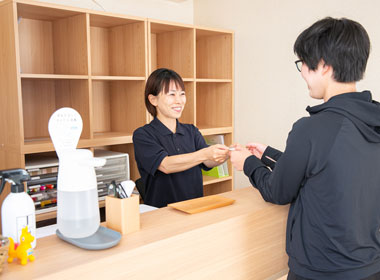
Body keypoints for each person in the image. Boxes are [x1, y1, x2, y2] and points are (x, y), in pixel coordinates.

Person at [230, 17, 380, 280]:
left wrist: (248, 164)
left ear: (322, 65)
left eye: (303, 64)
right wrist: (268, 154)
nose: (302, 73)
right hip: (371, 266)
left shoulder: (311, 129)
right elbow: (327, 168)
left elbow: (278, 191)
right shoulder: (372, 120)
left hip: (321, 271)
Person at [133, 68, 229, 208]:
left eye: (182, 94)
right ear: (153, 99)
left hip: (195, 207)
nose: (179, 101)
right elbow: (165, 165)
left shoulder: (191, 130)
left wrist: (226, 153)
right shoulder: (143, 135)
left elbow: (207, 162)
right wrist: (204, 153)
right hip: (162, 213)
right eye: (172, 94)